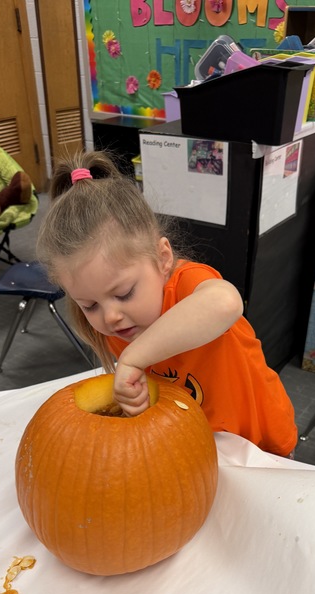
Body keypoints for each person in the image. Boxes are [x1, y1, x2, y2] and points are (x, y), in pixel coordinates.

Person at [35, 151, 297, 457]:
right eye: (89, 305)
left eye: (124, 293)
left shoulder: (187, 285)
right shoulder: (120, 328)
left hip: (261, 442)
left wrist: (133, 358)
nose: (111, 317)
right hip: (201, 444)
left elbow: (225, 302)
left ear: (163, 258)